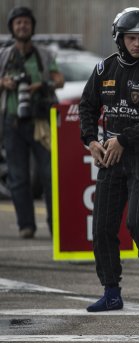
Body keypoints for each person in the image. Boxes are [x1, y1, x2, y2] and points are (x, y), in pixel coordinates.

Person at [79, 7, 139, 312]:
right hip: (110, 157)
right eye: (132, 38)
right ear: (120, 38)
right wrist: (91, 141)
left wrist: (122, 139)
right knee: (103, 227)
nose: (137, 44)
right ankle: (111, 292)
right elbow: (87, 107)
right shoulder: (103, 70)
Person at [0, 6, 64, 239]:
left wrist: (42, 84)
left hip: (41, 123)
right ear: (12, 27)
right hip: (12, 122)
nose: (22, 26)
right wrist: (4, 83)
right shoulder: (4, 55)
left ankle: (56, 225)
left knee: (49, 175)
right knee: (18, 177)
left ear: (32, 26)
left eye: (26, 22)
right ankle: (25, 225)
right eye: (18, 23)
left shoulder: (44, 54)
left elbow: (60, 80)